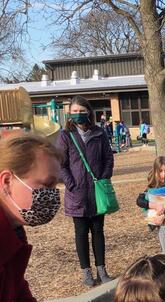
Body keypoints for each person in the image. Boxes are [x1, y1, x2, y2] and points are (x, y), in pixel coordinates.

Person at [0, 133, 140, 302]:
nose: (52, 196)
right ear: (7, 181)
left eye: (56, 187)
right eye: (45, 185)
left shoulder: (12, 232)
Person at [57, 95, 114, 287]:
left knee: (98, 231)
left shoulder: (99, 133)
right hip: (77, 193)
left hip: (97, 191)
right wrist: (71, 183)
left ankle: (101, 269)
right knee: (81, 233)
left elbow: (108, 157)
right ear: (69, 114)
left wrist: (105, 176)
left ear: (89, 112)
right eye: (75, 112)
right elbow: (61, 164)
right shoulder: (65, 135)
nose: (78, 115)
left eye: (82, 111)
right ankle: (86, 272)